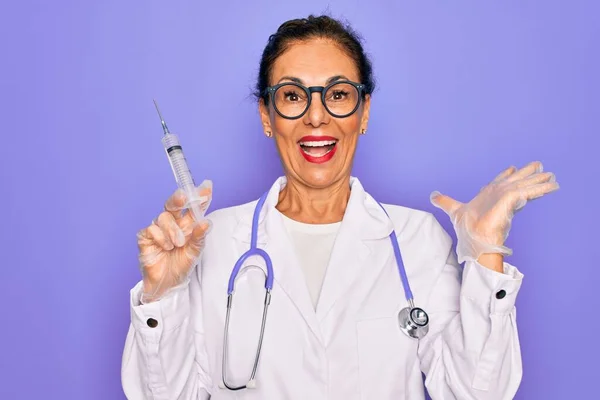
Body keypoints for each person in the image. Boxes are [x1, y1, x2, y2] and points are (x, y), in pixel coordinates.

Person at [121, 15, 559, 400]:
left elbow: (478, 394)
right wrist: (163, 295)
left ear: (363, 112)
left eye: (338, 94)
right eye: (293, 96)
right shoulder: (208, 242)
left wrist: (486, 252)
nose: (316, 116)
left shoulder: (416, 239)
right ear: (266, 116)